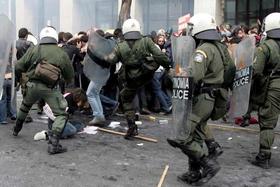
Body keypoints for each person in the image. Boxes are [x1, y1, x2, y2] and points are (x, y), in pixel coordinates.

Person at [167, 13, 233, 185]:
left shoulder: (203, 50)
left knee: (180, 136)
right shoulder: (220, 48)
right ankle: (194, 172)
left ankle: (208, 164)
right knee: (195, 136)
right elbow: (230, 71)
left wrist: (175, 73)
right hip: (212, 98)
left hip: (202, 98)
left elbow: (195, 75)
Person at [91, 19, 170, 139]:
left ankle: (132, 126)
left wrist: (95, 53)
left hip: (130, 79)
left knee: (126, 99)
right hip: (146, 75)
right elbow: (160, 56)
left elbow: (110, 60)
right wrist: (168, 66)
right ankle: (136, 120)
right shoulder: (146, 41)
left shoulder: (120, 46)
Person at [13, 26, 74, 154]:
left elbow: (18, 65)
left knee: (25, 106)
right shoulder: (60, 52)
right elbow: (69, 76)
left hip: (32, 86)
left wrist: (22, 77)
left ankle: (16, 129)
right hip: (50, 88)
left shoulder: (34, 49)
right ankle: (54, 144)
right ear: (55, 37)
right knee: (61, 114)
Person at [250, 12, 280, 169]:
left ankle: (264, 156)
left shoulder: (266, 46)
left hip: (273, 86)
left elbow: (256, 70)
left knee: (267, 122)